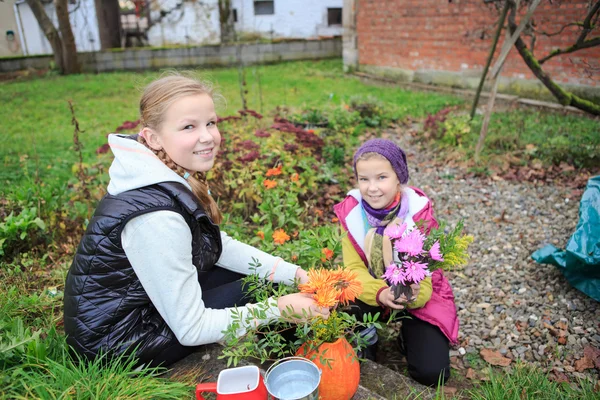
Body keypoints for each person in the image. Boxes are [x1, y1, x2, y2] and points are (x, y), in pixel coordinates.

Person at [63, 74, 329, 368]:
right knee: (262, 292)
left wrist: (296, 274)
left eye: (211, 123)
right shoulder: (157, 218)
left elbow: (217, 247)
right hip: (118, 345)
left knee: (260, 279)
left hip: (134, 310)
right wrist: (278, 308)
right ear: (152, 138)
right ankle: (290, 367)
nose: (208, 136)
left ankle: (291, 357)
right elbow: (191, 329)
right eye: (189, 126)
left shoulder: (165, 173)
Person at [333, 138, 459, 386]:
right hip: (372, 289)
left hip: (414, 294)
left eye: (382, 177)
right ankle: (367, 334)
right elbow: (353, 269)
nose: (372, 188)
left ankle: (407, 336)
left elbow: (428, 271)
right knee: (347, 311)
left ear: (398, 177)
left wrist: (412, 295)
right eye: (364, 179)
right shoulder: (351, 213)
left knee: (432, 374)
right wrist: (379, 293)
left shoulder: (418, 214)